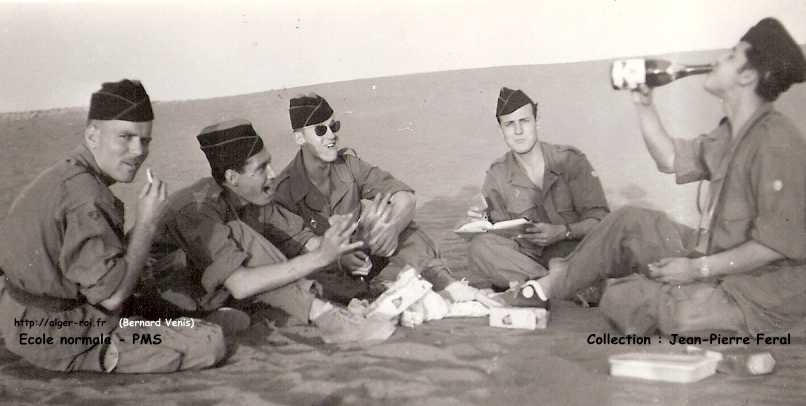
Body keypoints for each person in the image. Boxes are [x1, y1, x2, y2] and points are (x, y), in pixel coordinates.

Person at [521, 17, 806, 335]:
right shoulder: (732, 134)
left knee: (627, 300)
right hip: (715, 260)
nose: (716, 60)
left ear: (748, 76)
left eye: (729, 56)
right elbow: (669, 158)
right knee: (629, 221)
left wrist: (696, 269)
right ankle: (549, 287)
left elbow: (776, 246)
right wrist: (645, 106)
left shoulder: (778, 143)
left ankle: (597, 282)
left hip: (758, 296)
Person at [0, 79, 226, 373]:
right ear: (93, 135)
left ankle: (173, 321)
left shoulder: (67, 174)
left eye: (145, 140)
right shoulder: (86, 197)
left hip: (23, 314)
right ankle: (102, 355)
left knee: (164, 265)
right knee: (209, 343)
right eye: (125, 137)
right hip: (57, 334)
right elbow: (112, 297)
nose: (137, 151)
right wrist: (147, 221)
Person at [147, 119, 396, 344]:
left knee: (289, 262)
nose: (273, 174)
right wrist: (320, 258)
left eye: (270, 164)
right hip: (161, 298)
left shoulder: (252, 199)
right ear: (232, 177)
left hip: (214, 288)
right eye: (261, 169)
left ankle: (337, 305)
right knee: (243, 237)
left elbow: (305, 243)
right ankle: (325, 316)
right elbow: (241, 284)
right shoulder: (197, 208)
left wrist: (343, 248)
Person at [273, 94, 478, 301]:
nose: (331, 135)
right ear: (299, 138)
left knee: (397, 222)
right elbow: (304, 247)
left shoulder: (349, 166)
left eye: (334, 126)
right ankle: (369, 295)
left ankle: (447, 284)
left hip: (360, 258)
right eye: (320, 130)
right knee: (316, 284)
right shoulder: (283, 190)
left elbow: (405, 197)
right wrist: (339, 258)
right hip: (324, 266)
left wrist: (393, 228)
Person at [466, 87, 609, 300]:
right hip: (531, 261)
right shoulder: (498, 173)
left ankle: (544, 288)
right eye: (509, 124)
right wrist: (480, 220)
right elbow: (497, 231)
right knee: (480, 247)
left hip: (575, 254)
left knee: (598, 256)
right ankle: (556, 286)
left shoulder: (571, 160)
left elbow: (601, 221)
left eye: (524, 121)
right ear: (501, 130)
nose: (518, 131)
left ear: (536, 121)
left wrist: (563, 232)